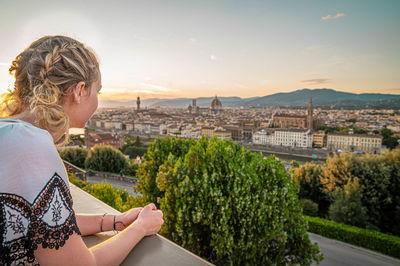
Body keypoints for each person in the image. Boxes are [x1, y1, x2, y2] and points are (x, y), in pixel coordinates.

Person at [0, 35, 164, 265]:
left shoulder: (10, 133)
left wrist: (114, 221)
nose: (97, 100)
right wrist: (140, 227)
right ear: (79, 91)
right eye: (98, 91)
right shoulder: (33, 147)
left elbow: (46, 224)